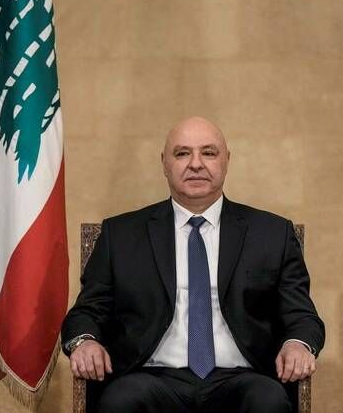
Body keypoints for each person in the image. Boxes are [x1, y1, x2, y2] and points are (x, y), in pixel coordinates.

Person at [61, 117, 325, 413]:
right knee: (120, 402)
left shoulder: (272, 234)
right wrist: (84, 342)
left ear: (227, 160)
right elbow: (87, 311)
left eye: (208, 153)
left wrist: (297, 343)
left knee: (268, 401)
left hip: (243, 378)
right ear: (164, 163)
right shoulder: (120, 235)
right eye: (182, 153)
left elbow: (302, 316)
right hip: (149, 376)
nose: (196, 164)